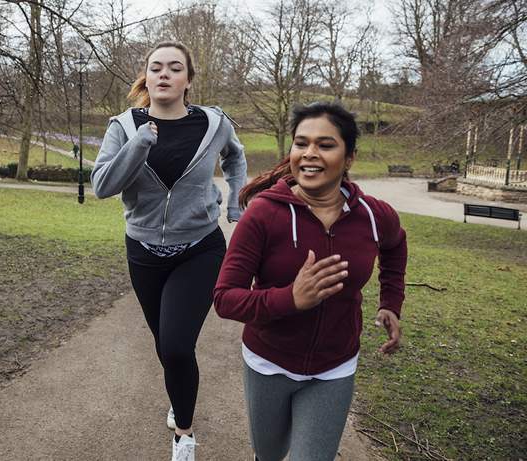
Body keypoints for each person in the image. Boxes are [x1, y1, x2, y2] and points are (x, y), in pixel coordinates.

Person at [213, 102, 407, 461]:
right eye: (301, 143)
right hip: (268, 363)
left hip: (334, 366)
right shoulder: (264, 214)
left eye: (326, 144)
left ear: (349, 158)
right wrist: (290, 299)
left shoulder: (373, 215)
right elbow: (225, 299)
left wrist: (390, 302)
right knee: (268, 455)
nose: (309, 154)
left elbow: (396, 246)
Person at [91, 41, 247, 461]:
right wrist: (138, 145)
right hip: (143, 250)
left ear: (188, 80)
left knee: (178, 345)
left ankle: (184, 434)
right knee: (165, 344)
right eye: (156, 67)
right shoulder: (124, 127)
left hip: (200, 247)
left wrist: (235, 200)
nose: (164, 74)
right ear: (146, 75)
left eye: (174, 68)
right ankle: (180, 396)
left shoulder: (214, 124)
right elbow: (103, 185)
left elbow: (236, 157)